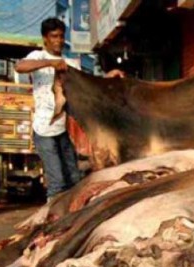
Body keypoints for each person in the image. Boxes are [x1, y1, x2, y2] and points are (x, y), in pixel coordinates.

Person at [15, 18, 122, 201]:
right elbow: (20, 66)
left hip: (64, 131)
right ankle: (52, 216)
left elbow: (88, 84)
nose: (58, 40)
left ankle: (70, 214)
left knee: (74, 179)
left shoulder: (70, 63)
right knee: (57, 183)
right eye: (53, 36)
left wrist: (107, 76)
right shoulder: (38, 57)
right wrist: (50, 63)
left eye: (61, 36)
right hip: (44, 131)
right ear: (45, 38)